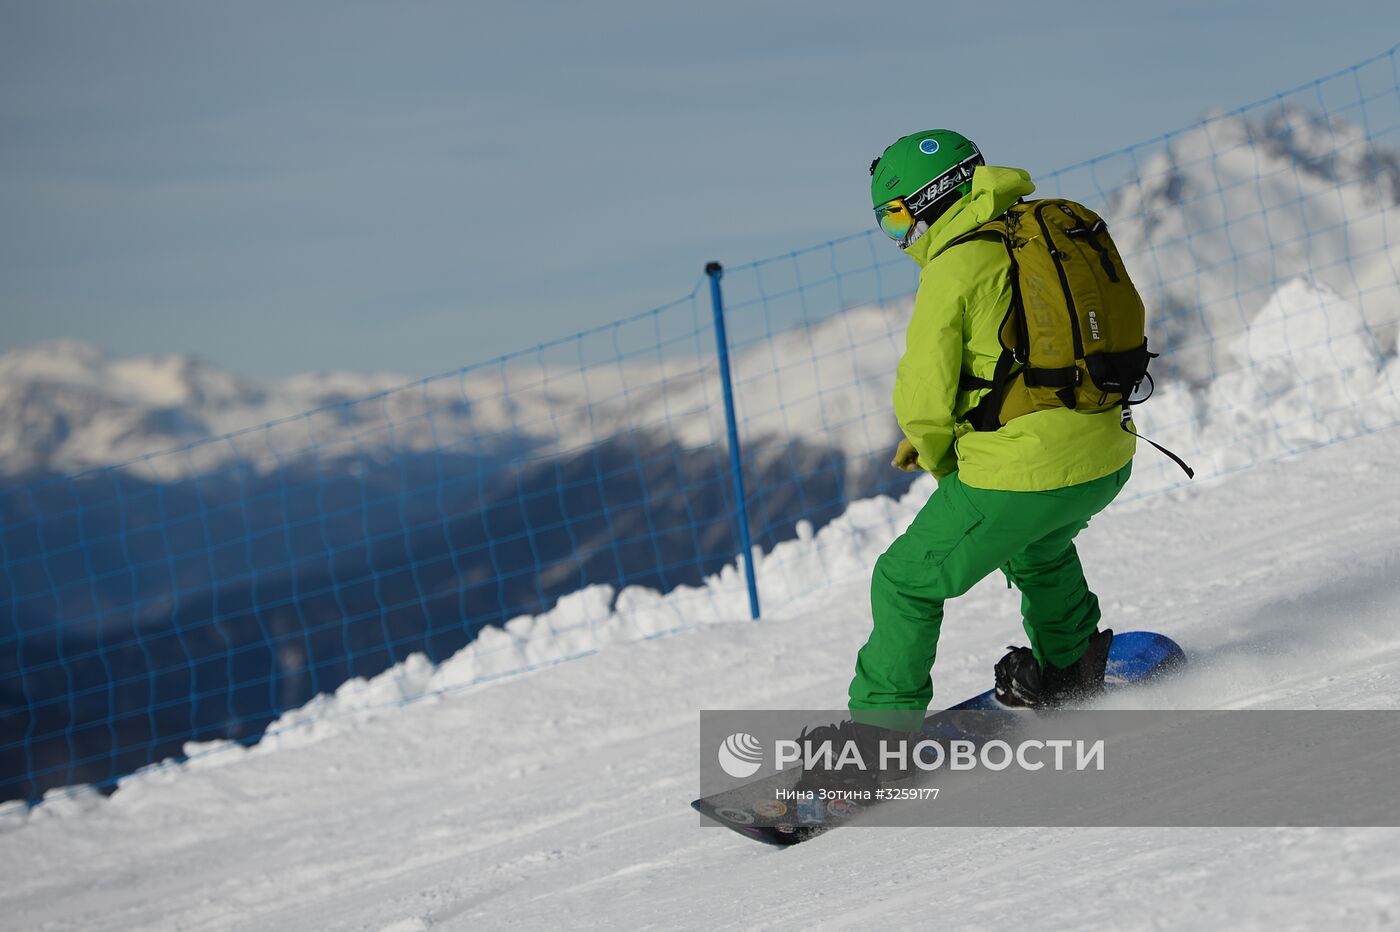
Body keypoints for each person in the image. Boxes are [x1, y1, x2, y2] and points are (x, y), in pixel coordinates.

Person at [803, 130, 1137, 783]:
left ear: (928, 200)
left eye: (896, 217)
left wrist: (942, 459)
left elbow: (922, 400)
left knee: (904, 581)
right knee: (1038, 547)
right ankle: (1071, 670)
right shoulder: (1039, 231)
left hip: (1024, 470)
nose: (898, 236)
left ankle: (875, 747)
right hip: (1106, 451)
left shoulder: (955, 265)